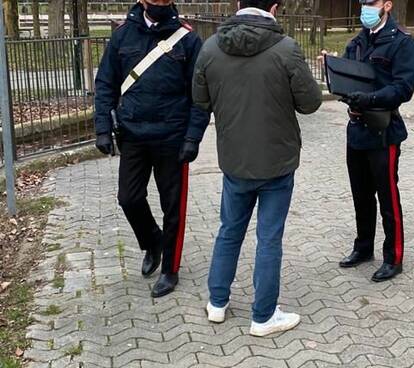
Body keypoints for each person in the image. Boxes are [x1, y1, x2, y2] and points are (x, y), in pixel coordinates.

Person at [192, 0, 322, 336]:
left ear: (238, 4)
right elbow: (310, 103)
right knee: (269, 238)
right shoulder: (286, 49)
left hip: (235, 160)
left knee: (229, 230)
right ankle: (263, 316)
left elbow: (200, 99)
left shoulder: (210, 48)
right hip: (277, 162)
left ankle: (217, 302)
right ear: (275, 7)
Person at [94, 0, 210, 297]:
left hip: (172, 136)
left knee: (173, 206)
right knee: (129, 198)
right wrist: (103, 128)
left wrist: (192, 138)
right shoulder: (122, 35)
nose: (158, 3)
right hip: (133, 133)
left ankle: (170, 269)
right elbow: (106, 82)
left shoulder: (188, 39)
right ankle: (153, 241)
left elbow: (200, 94)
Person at [338, 0, 414, 282]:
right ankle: (363, 247)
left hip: (384, 130)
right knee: (360, 195)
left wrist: (371, 99)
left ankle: (393, 256)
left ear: (387, 4)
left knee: (388, 197)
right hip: (357, 128)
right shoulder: (358, 41)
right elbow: (347, 77)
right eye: (362, 3)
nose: (366, 8)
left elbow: (403, 87)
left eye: (371, 3)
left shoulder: (402, 43)